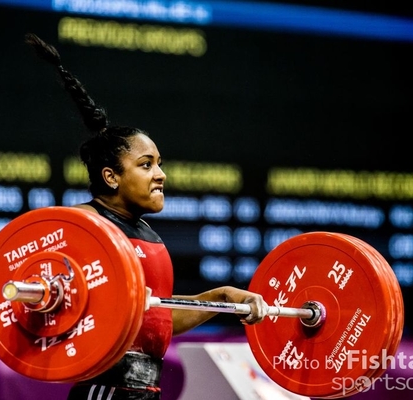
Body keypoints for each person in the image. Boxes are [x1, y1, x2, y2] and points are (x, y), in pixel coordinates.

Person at [24, 33, 269, 400]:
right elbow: (41, 297)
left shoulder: (146, 233)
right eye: (146, 164)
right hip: (105, 389)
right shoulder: (83, 226)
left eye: (159, 164)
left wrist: (221, 297)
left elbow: (157, 320)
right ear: (111, 177)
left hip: (145, 389)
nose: (160, 174)